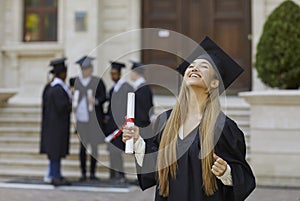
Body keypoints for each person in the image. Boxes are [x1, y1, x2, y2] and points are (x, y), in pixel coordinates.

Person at [122, 36, 256, 201]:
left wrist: (226, 172)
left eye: (203, 66)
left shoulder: (223, 127)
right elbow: (155, 168)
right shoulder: (166, 121)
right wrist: (138, 142)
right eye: (191, 66)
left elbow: (244, 177)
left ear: (214, 83)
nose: (194, 68)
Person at [71, 56, 107, 181]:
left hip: (93, 121)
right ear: (82, 70)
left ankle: (92, 172)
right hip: (81, 120)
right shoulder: (75, 82)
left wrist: (96, 101)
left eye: (89, 68)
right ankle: (83, 173)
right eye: (86, 69)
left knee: (94, 147)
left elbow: (104, 97)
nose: (88, 71)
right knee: (83, 147)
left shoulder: (97, 81)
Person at [40, 58, 72, 186]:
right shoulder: (58, 89)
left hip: (52, 126)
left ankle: (55, 174)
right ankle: (55, 176)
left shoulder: (49, 87)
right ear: (62, 73)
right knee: (55, 152)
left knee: (55, 152)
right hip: (57, 126)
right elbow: (63, 107)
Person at [105, 61, 133, 183]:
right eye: (111, 73)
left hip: (121, 124)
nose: (113, 76)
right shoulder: (112, 90)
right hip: (111, 125)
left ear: (120, 74)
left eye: (115, 73)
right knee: (112, 151)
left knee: (117, 150)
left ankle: (121, 174)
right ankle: (112, 174)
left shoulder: (127, 88)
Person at [129, 60, 155, 141]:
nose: (130, 74)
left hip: (142, 124)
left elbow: (145, 108)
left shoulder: (143, 88)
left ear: (136, 73)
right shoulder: (138, 87)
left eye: (132, 72)